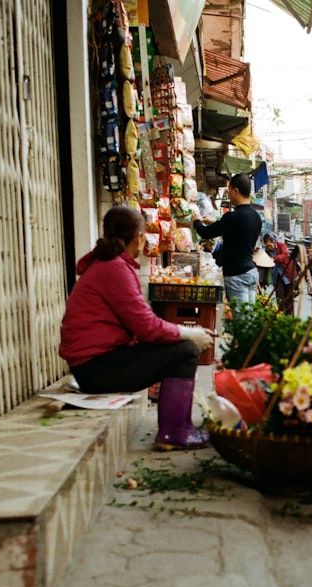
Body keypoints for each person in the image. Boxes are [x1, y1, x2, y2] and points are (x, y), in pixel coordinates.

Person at [59, 206, 213, 451]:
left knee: (177, 345)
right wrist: (190, 333)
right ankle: (175, 432)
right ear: (140, 237)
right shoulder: (114, 268)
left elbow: (143, 324)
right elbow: (147, 327)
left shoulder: (108, 265)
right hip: (97, 370)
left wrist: (178, 332)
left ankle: (180, 428)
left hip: (93, 365)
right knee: (185, 350)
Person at [193, 173, 262, 305]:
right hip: (251, 272)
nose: (228, 194)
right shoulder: (256, 216)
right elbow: (237, 234)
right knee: (250, 318)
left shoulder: (232, 217)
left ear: (236, 191)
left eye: (229, 191)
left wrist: (196, 220)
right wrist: (215, 222)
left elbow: (204, 233)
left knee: (241, 322)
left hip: (237, 275)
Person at [265, 232, 298, 314]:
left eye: (270, 245)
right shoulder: (266, 252)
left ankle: (289, 316)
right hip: (276, 276)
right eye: (267, 246)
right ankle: (281, 314)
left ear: (274, 242)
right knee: (279, 296)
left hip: (287, 275)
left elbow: (285, 255)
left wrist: (274, 258)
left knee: (289, 297)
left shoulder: (281, 246)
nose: (269, 247)